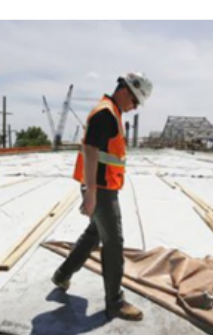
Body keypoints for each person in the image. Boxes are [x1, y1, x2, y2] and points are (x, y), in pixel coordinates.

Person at [51, 72, 153, 321]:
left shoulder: (112, 113)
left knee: (94, 233)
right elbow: (89, 150)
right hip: (102, 189)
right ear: (126, 91)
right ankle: (115, 302)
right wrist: (91, 193)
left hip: (104, 187)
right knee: (114, 242)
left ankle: (63, 274)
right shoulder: (105, 113)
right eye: (136, 101)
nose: (135, 107)